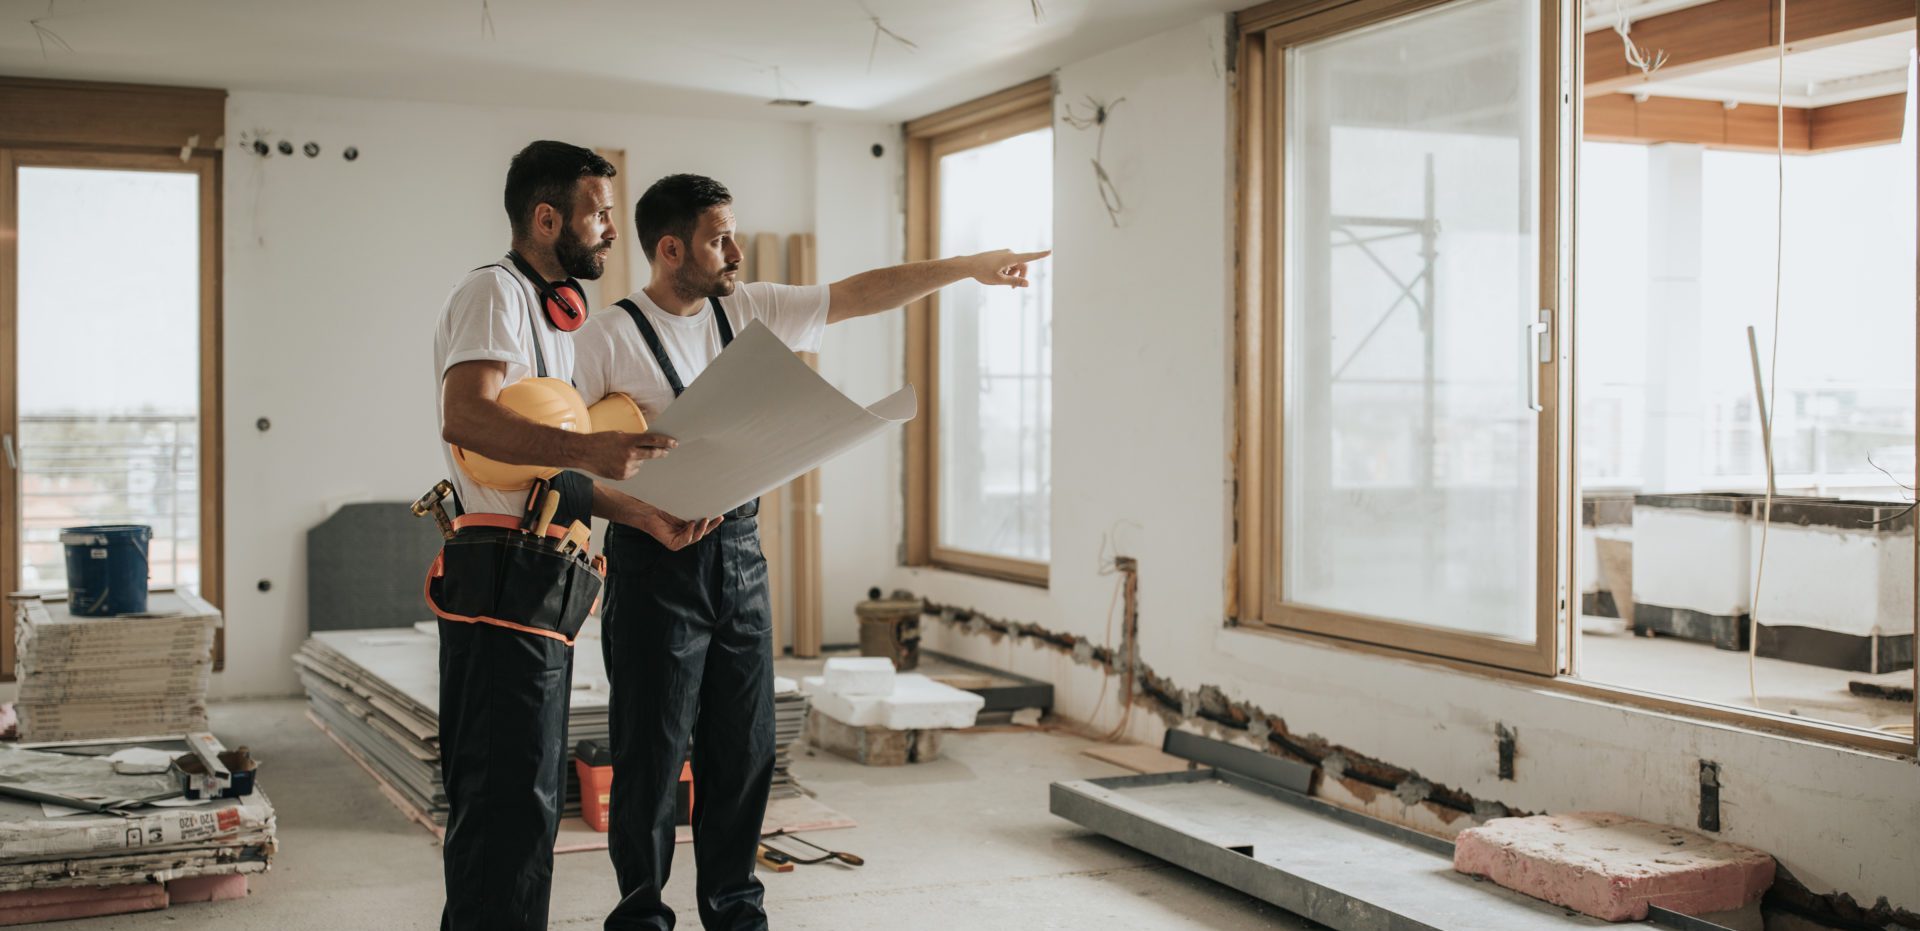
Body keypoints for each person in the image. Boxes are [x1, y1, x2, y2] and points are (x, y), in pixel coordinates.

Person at [571, 172, 1048, 931]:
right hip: (653, 558)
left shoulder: (749, 308)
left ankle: (734, 912)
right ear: (669, 249)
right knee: (652, 756)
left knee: (744, 748)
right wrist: (636, 499)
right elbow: (570, 459)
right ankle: (640, 916)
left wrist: (967, 266)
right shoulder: (605, 338)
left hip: (740, 556)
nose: (733, 249)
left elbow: (857, 294)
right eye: (718, 237)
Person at [430, 142, 721, 931]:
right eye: (596, 213)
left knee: (529, 805)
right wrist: (591, 447)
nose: (608, 230)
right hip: (497, 569)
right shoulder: (495, 292)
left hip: (543, 572)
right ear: (546, 216)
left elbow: (549, 469)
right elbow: (468, 417)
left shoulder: (556, 321)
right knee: (501, 805)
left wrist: (645, 516)